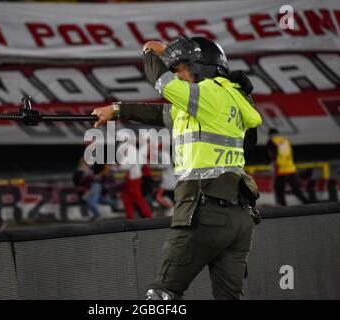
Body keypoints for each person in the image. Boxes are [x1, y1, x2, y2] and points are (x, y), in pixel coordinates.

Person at [91, 36, 261, 300]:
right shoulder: (225, 98)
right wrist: (116, 109)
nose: (177, 75)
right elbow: (161, 115)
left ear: (202, 67)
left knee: (160, 296)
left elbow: (162, 84)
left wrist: (151, 50)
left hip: (206, 210)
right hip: (240, 217)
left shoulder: (208, 93)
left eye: (181, 67)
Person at [267, 128, 309, 206]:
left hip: (280, 170)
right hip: (291, 169)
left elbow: (273, 155)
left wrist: (272, 164)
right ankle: (308, 204)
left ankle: (283, 208)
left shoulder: (271, 142)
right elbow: (292, 154)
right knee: (296, 190)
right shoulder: (285, 141)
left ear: (270, 135)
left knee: (280, 191)